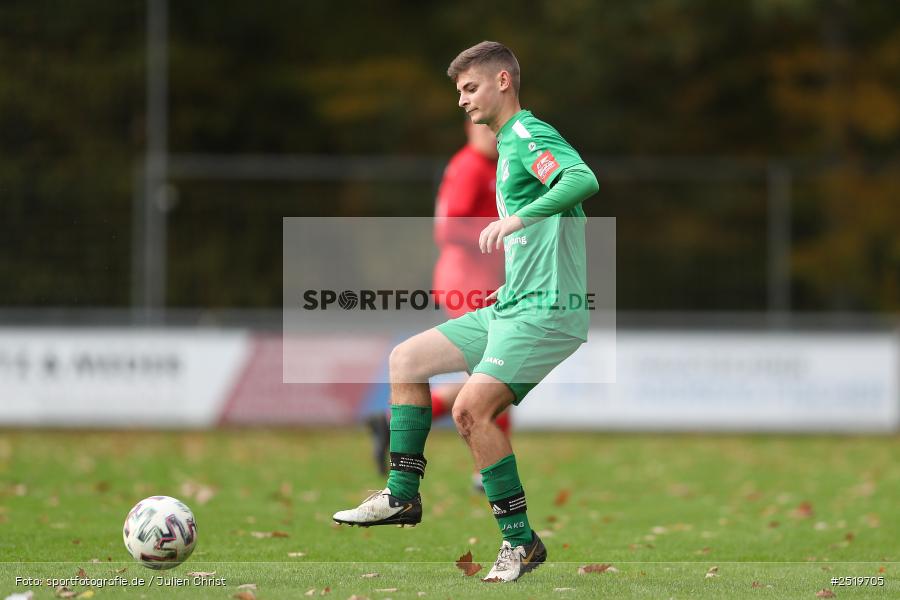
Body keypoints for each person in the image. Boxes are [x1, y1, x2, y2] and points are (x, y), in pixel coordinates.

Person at [334, 41, 599, 584]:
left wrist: (517, 220)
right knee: (406, 360)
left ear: (504, 81)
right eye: (458, 92)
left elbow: (581, 180)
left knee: (470, 411)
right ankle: (402, 496)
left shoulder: (526, 134)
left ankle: (519, 543)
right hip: (512, 305)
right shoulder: (504, 148)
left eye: (470, 88)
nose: (462, 101)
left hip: (546, 312)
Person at [367, 119, 510, 491]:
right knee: (496, 367)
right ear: (469, 128)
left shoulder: (495, 166)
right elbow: (446, 228)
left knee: (485, 373)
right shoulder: (468, 166)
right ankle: (487, 470)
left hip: (482, 280)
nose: (492, 135)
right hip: (467, 280)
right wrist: (501, 227)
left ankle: (391, 420)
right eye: (485, 128)